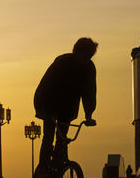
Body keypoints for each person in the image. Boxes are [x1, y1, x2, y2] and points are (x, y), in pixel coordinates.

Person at [34, 37, 98, 170]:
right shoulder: (62, 62)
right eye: (85, 56)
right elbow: (45, 85)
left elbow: (89, 93)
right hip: (49, 105)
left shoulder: (89, 68)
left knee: (62, 139)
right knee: (48, 137)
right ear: (78, 52)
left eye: (89, 57)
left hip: (68, 109)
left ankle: (58, 167)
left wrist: (89, 115)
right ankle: (44, 170)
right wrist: (40, 109)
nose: (86, 59)